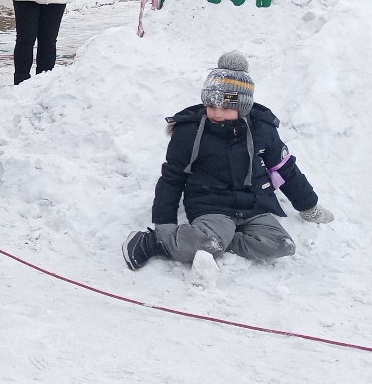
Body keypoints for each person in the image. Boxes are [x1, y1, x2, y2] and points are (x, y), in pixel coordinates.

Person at [123, 52, 335, 273]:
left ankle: (219, 244)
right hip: (212, 204)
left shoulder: (263, 129)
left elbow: (285, 169)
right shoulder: (190, 133)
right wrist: (164, 225)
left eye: (225, 108)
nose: (216, 113)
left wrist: (309, 206)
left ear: (242, 107)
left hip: (254, 205)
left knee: (280, 245)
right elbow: (172, 178)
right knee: (206, 242)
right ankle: (152, 242)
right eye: (211, 106)